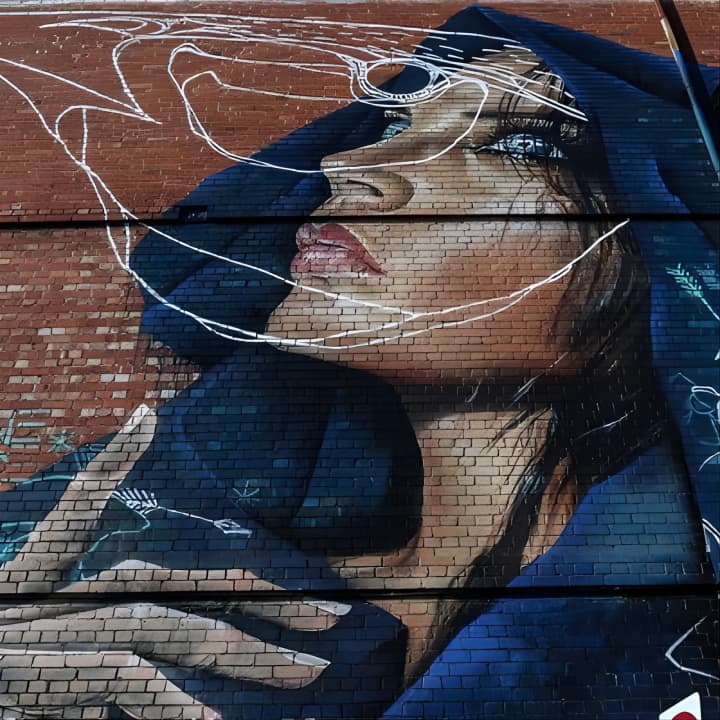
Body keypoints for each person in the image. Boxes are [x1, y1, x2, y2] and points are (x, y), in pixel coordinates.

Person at [1, 5, 718, 719]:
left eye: (524, 145)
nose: (348, 164)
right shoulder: (166, 563)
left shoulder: (674, 643)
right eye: (397, 126)